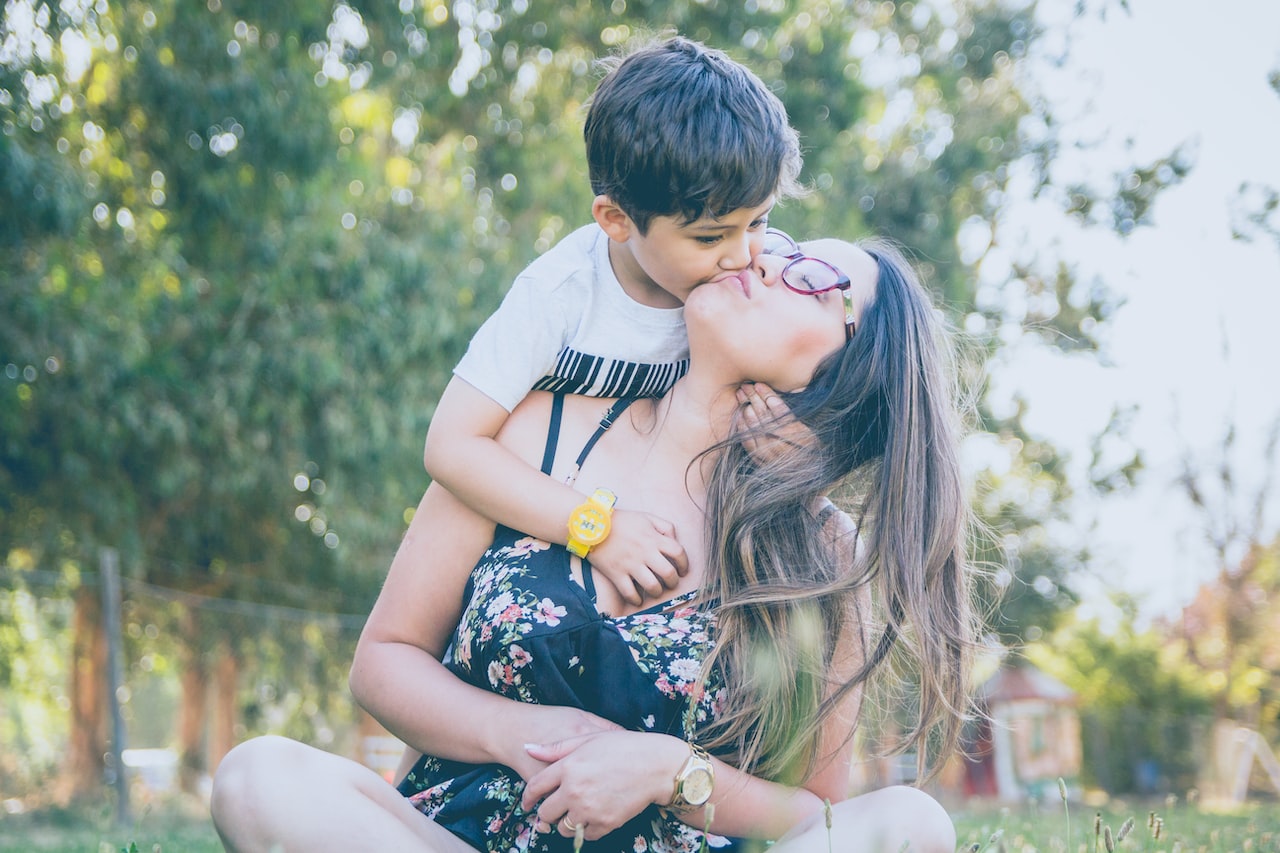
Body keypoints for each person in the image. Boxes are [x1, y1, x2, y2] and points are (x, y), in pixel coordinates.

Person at [210, 233, 978, 852]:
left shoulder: (817, 550)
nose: (765, 256)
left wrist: (669, 770)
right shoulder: (526, 430)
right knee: (258, 777)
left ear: (849, 369)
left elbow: (808, 811)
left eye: (812, 273)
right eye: (780, 242)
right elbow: (383, 661)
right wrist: (523, 732)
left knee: (913, 825)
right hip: (447, 839)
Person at [422, 35, 805, 607]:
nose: (744, 256)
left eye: (760, 221)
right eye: (709, 237)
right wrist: (595, 528)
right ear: (617, 219)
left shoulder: (763, 268)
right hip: (540, 550)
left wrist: (803, 440)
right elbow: (450, 447)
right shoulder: (558, 297)